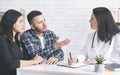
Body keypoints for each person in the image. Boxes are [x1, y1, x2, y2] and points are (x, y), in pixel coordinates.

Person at [0, 9, 44, 75]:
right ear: (11, 22)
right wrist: (33, 61)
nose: (24, 24)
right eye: (20, 22)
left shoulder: (16, 39)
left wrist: (35, 58)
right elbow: (10, 64)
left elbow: (22, 58)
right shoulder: (1, 40)